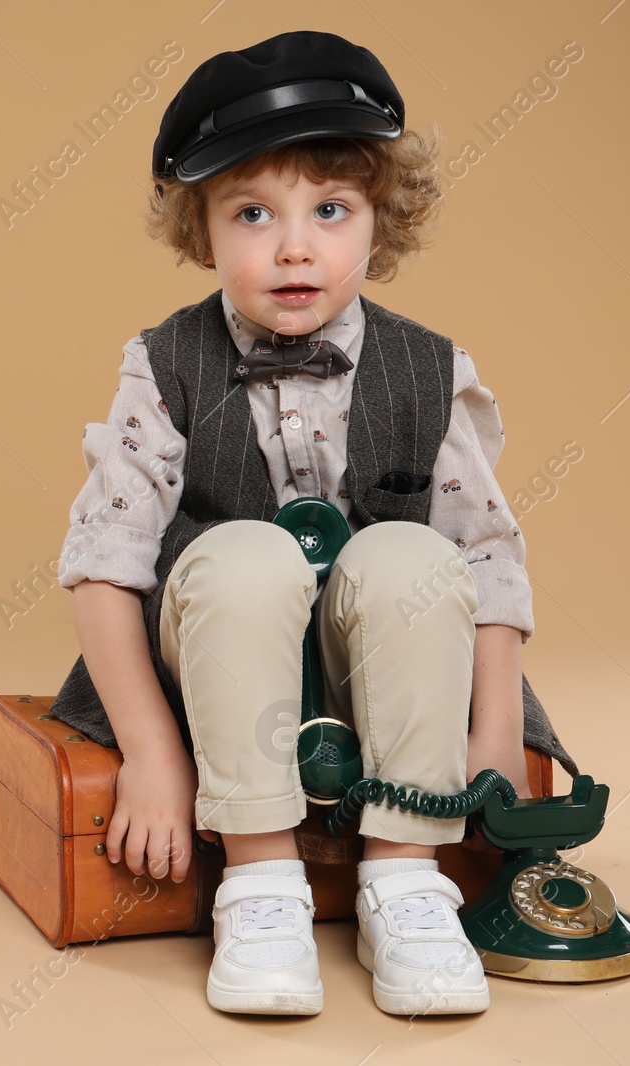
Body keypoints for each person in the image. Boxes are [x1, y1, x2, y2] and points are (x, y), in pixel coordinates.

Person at [49, 30, 573, 1018]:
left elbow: (487, 559)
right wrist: (154, 755)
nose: (294, 246)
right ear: (201, 233)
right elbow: (105, 564)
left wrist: (495, 734)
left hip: (385, 660)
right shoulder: (162, 362)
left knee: (413, 553)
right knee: (242, 555)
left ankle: (404, 876)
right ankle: (258, 880)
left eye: (329, 209)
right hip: (211, 654)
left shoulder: (432, 368)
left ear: (381, 223)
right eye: (253, 213)